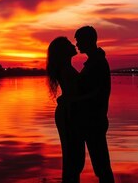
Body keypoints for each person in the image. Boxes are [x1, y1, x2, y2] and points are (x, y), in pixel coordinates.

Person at [74, 26, 114, 183]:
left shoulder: (97, 63)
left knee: (101, 165)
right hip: (93, 120)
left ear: (88, 40)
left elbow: (96, 93)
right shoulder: (94, 61)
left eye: (79, 41)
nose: (77, 44)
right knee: (101, 165)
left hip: (94, 121)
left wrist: (72, 100)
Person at [47, 36, 84, 183]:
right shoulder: (66, 70)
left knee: (73, 158)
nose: (73, 45)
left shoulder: (67, 68)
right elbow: (72, 96)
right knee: (73, 158)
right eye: (69, 44)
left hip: (69, 113)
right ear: (63, 51)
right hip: (68, 114)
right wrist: (96, 93)